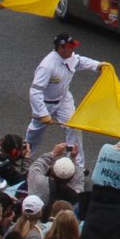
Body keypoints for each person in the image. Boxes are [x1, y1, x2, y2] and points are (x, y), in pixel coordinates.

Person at [26, 34, 102, 164]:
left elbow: (80, 61)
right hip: (46, 103)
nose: (72, 49)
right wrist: (42, 113)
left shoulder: (70, 56)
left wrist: (98, 65)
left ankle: (76, 165)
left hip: (63, 100)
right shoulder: (47, 66)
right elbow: (35, 90)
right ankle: (26, 157)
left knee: (74, 127)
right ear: (60, 48)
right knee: (35, 132)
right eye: (69, 47)